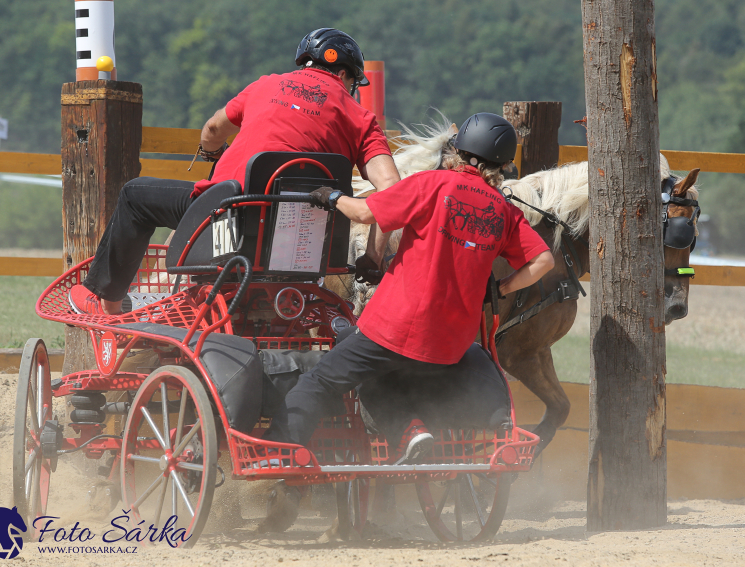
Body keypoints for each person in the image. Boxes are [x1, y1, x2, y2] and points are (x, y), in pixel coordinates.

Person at [264, 112, 555, 464]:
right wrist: (502, 288)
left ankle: (278, 452)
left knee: (322, 381)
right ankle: (418, 432)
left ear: (460, 151)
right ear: (503, 164)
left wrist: (331, 197)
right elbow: (543, 261)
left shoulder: (432, 184)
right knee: (391, 376)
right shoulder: (503, 210)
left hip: (395, 329)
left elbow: (364, 214)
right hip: (451, 347)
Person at [68, 28, 400, 315]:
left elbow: (213, 128)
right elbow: (392, 193)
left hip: (226, 222)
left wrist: (212, 155)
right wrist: (372, 257)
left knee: (134, 196)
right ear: (344, 75)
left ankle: (103, 298)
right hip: (306, 244)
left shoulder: (266, 85)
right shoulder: (361, 119)